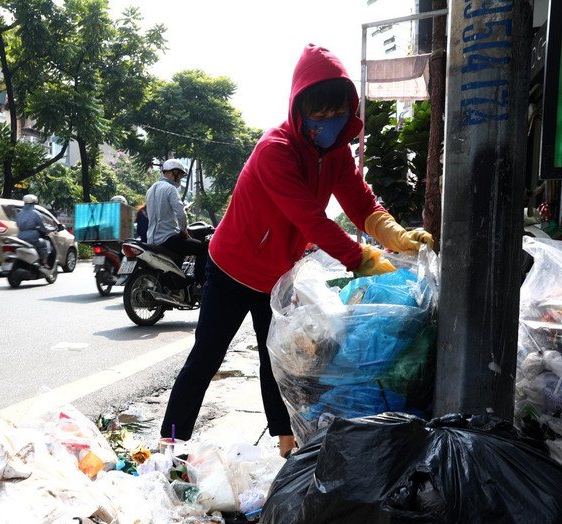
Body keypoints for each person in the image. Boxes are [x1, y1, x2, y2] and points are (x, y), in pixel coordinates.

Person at [158, 44, 433, 458]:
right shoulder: (276, 150)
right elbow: (312, 220)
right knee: (206, 357)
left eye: (335, 114)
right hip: (232, 269)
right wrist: (361, 259)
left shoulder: (336, 153)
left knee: (280, 360)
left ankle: (288, 447)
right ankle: (170, 443)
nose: (327, 123)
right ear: (298, 110)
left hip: (275, 276)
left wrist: (394, 235)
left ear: (348, 110)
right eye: (317, 116)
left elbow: (360, 203)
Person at [145, 158, 207, 287]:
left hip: (151, 239)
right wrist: (184, 229)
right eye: (180, 175)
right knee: (203, 248)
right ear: (174, 173)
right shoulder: (170, 189)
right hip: (167, 238)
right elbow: (180, 213)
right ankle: (199, 283)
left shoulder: (150, 190)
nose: (180, 179)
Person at [16, 194, 54, 268]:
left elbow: (18, 224)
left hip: (20, 238)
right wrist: (52, 229)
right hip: (32, 238)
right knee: (45, 243)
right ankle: (44, 263)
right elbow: (44, 228)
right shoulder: (36, 214)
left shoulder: (19, 214)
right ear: (33, 203)